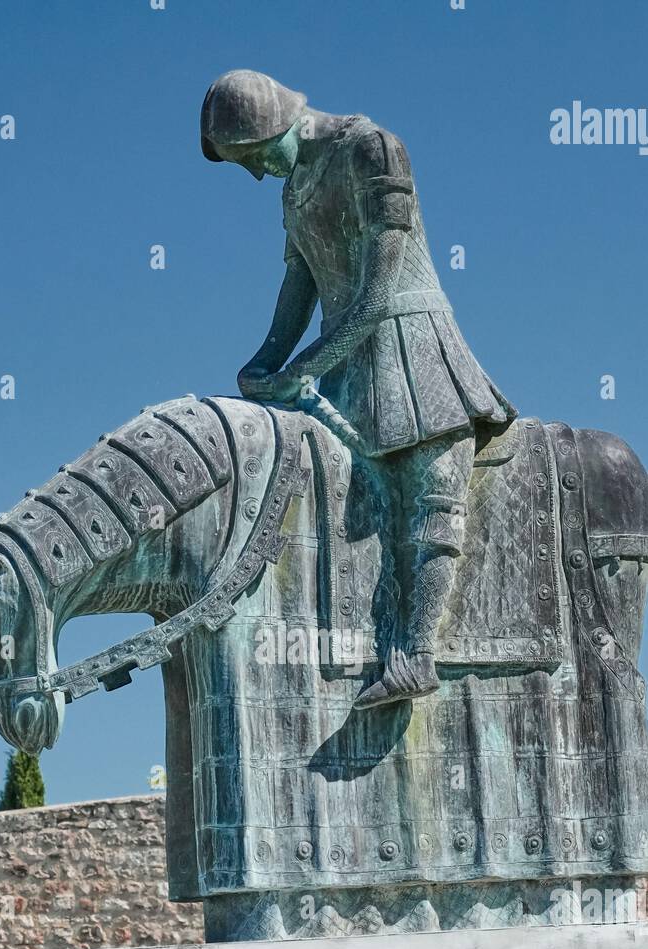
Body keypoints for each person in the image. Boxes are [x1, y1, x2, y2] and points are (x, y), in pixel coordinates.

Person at [202, 70, 516, 707]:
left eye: (256, 155)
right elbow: (302, 286)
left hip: (411, 343)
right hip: (344, 359)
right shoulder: (294, 190)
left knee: (431, 493)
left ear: (278, 123)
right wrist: (265, 359)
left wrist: (308, 363)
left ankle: (418, 652)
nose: (258, 173)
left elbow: (381, 288)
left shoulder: (372, 149)